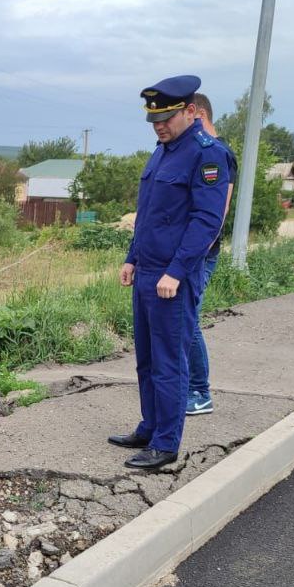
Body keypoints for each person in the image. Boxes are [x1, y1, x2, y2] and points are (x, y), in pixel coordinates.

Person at [108, 75, 228, 470]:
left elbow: (206, 221)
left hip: (173, 278)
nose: (160, 125)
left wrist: (176, 271)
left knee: (169, 359)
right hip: (147, 272)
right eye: (154, 120)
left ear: (192, 112)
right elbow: (149, 216)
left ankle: (166, 443)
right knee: (145, 357)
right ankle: (150, 425)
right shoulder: (162, 152)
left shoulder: (206, 154)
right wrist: (131, 257)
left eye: (168, 117)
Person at [185, 93, 238, 416]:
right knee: (181, 320)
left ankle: (200, 391)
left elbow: (217, 212)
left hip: (199, 254)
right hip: (188, 252)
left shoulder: (219, 155)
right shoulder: (194, 152)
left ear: (198, 113)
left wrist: (195, 253)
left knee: (187, 320)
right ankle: (186, 385)